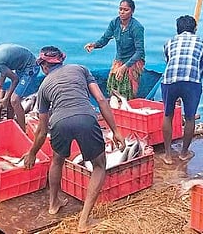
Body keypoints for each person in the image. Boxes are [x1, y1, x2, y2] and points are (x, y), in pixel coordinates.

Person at [21, 46, 125, 232]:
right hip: (86, 118)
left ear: (45, 66)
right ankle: (84, 220)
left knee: (57, 160)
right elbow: (101, 100)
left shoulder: (44, 86)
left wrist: (32, 153)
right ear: (62, 60)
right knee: (99, 166)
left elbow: (42, 129)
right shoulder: (80, 69)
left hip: (59, 122)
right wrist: (115, 131)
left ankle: (54, 204)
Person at [161, 15, 203, 165]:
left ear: (178, 29)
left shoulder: (169, 42)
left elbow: (169, 61)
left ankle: (168, 155)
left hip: (170, 80)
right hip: (192, 82)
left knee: (168, 115)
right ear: (195, 29)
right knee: (190, 117)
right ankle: (184, 153)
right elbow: (201, 66)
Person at [84, 0, 145, 100]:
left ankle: (129, 104)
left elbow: (140, 51)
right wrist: (94, 45)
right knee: (113, 86)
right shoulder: (114, 23)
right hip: (120, 58)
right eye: (120, 9)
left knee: (127, 89)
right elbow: (105, 39)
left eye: (126, 10)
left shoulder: (137, 27)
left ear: (132, 12)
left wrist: (125, 67)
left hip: (134, 60)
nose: (122, 12)